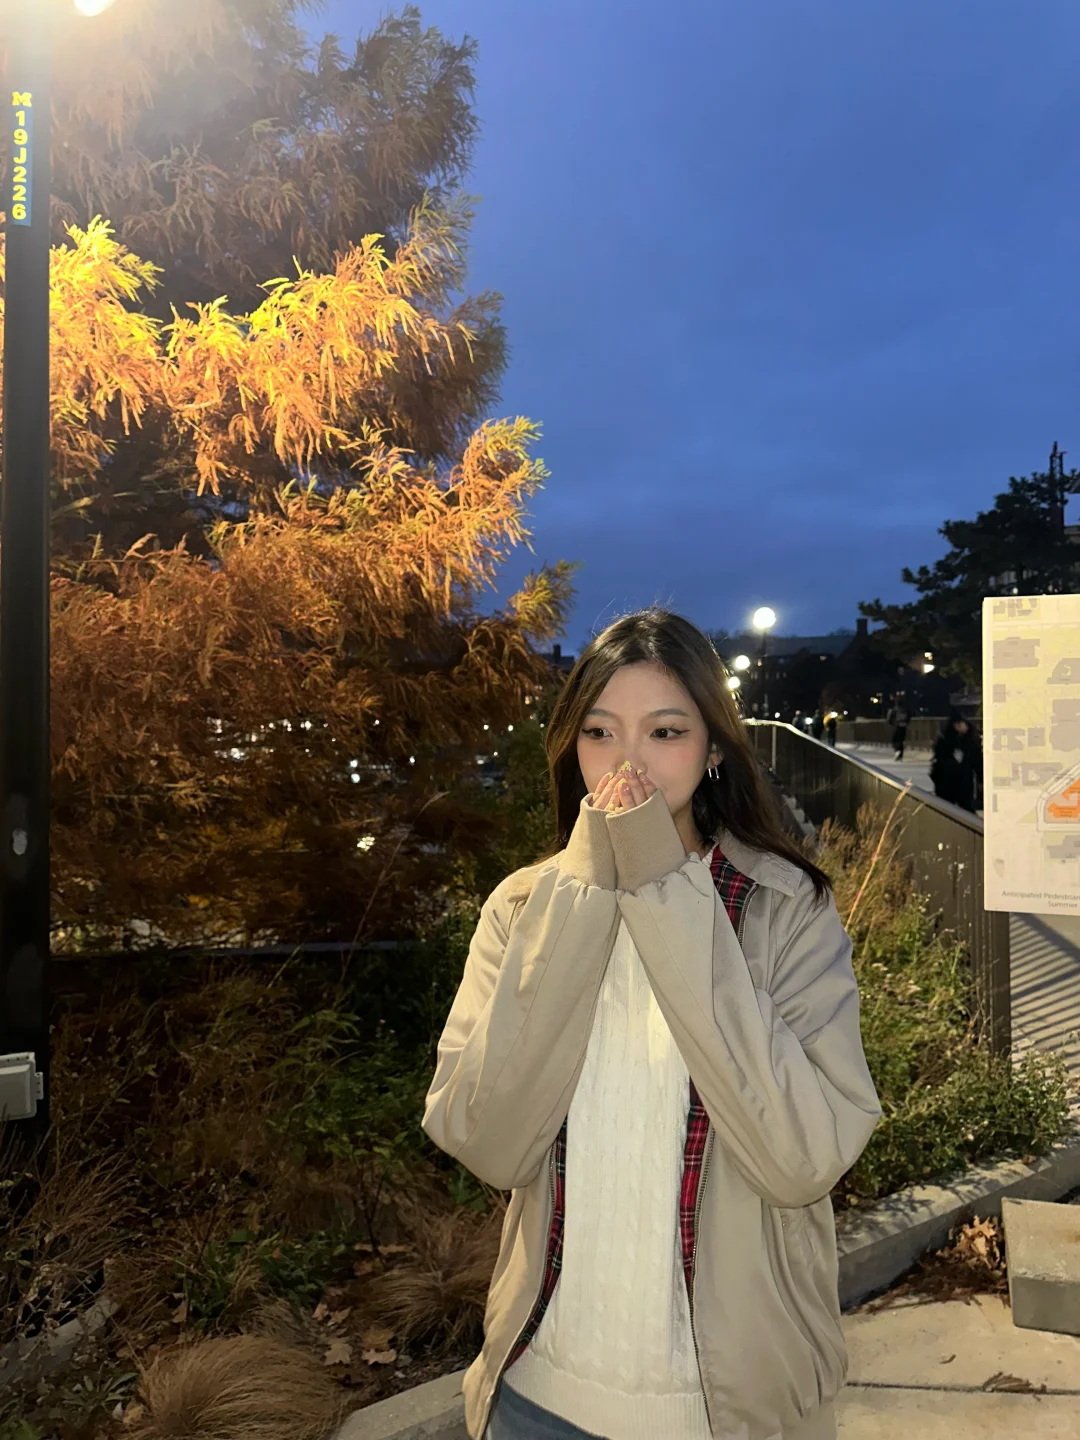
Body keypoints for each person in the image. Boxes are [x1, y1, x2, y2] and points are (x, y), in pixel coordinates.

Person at [423, 608, 882, 1440]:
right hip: (535, 1395)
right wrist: (583, 893)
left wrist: (663, 890)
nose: (627, 761)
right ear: (572, 748)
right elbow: (488, 1143)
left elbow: (803, 1158)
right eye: (600, 732)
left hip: (726, 1412)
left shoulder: (783, 909)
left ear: (713, 751)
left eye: (665, 731)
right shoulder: (525, 908)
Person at [931, 709, 981, 813]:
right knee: (960, 809)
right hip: (951, 781)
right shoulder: (948, 740)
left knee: (961, 808)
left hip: (959, 782)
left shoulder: (968, 739)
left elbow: (976, 761)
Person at [886, 694, 910, 760]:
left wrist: (892, 724)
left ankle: (897, 751)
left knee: (894, 740)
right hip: (904, 726)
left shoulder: (894, 709)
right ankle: (901, 756)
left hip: (897, 726)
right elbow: (909, 717)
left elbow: (889, 719)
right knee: (901, 741)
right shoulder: (905, 710)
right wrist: (906, 723)